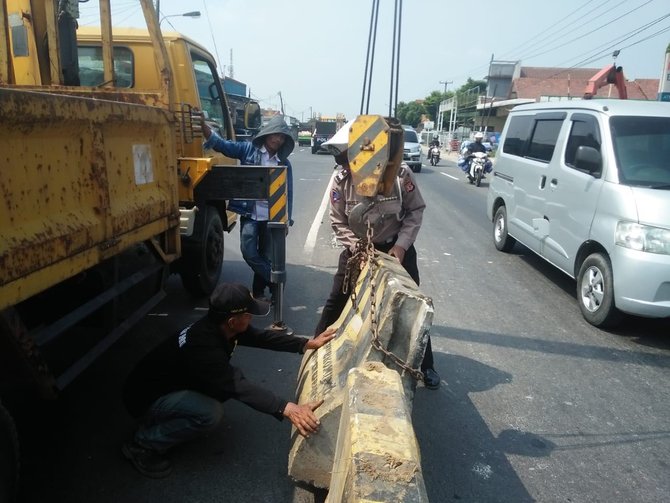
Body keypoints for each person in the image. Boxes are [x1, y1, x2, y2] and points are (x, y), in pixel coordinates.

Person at [122, 283, 336, 478]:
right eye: (249, 314)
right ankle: (143, 443)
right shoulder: (204, 346)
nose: (252, 317)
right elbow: (237, 386)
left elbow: (261, 337)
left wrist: (307, 343)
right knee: (209, 413)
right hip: (145, 400)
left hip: (164, 384)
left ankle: (173, 417)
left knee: (221, 387)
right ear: (233, 321)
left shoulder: (220, 326)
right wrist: (288, 408)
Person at [313, 119, 441, 390]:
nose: (347, 166)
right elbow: (338, 222)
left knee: (410, 306)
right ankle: (313, 347)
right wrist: (355, 247)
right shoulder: (341, 180)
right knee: (337, 299)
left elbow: (415, 211)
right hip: (357, 249)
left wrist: (401, 246)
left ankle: (426, 365)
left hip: (396, 251)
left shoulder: (400, 175)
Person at [202, 116, 295, 301]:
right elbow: (222, 145)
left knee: (265, 256)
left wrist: (286, 221)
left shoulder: (284, 163)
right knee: (249, 252)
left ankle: (259, 293)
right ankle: (276, 281)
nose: (277, 140)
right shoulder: (247, 150)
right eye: (275, 135)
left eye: (282, 137)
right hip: (250, 213)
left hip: (273, 216)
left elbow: (288, 192)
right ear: (267, 134)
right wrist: (202, 126)